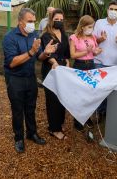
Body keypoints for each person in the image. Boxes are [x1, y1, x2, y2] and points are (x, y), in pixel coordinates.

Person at [3, 8, 57, 153]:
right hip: (15, 79)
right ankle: (19, 138)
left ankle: (32, 133)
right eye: (29, 21)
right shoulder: (10, 38)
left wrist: (45, 53)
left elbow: (38, 57)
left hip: (30, 77)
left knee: (31, 107)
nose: (33, 24)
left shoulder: (34, 34)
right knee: (17, 109)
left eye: (34, 21)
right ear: (20, 22)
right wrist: (31, 52)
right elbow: (12, 62)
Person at [93, 0, 117, 117]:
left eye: (116, 9)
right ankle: (100, 112)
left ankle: (111, 113)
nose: (113, 11)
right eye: (111, 9)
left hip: (116, 63)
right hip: (99, 61)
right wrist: (100, 39)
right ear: (107, 10)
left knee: (112, 89)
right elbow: (93, 40)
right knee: (99, 89)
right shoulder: (99, 23)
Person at [39, 9, 70, 140]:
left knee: (62, 97)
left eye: (61, 20)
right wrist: (54, 62)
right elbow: (47, 54)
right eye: (56, 19)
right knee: (53, 99)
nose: (59, 22)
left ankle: (59, 123)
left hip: (62, 69)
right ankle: (53, 128)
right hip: (51, 68)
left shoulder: (64, 33)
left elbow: (67, 53)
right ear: (51, 20)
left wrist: (67, 62)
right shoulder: (46, 35)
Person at [69, 15, 102, 132]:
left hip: (91, 65)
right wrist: (86, 51)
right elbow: (73, 55)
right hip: (79, 66)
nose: (91, 29)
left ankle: (86, 117)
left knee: (89, 93)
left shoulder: (92, 37)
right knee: (79, 94)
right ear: (82, 27)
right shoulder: (74, 37)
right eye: (89, 26)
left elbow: (94, 52)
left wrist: (97, 51)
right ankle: (77, 119)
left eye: (92, 26)